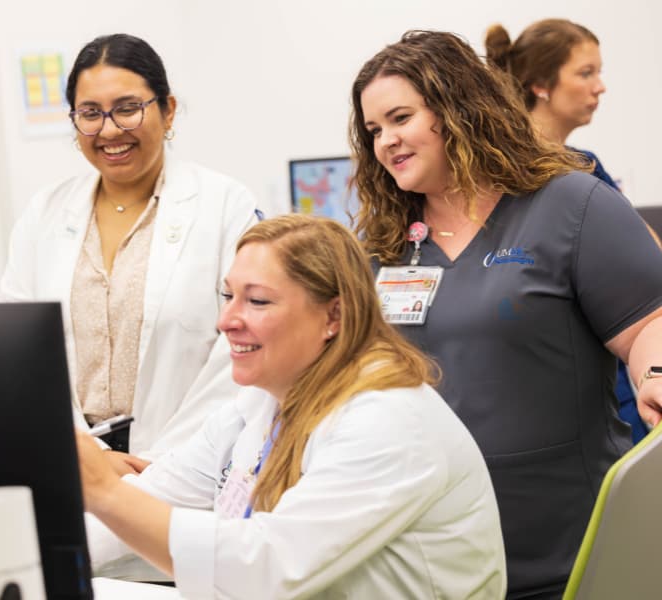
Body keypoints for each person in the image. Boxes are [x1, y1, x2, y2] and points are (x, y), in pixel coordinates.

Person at [350, 30, 662, 599]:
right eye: (374, 130)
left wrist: (654, 375)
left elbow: (648, 322)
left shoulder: (571, 203)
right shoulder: (383, 245)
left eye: (400, 118)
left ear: (455, 108)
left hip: (567, 545)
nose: (386, 141)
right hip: (430, 551)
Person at [78, 214, 507, 599]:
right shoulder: (259, 405)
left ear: (333, 317)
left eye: (257, 301)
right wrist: (35, 552)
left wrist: (106, 493)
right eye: (228, 296)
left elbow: (269, 572)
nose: (226, 320)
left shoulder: (388, 421)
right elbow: (158, 494)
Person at [0, 34, 258, 460]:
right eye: (90, 114)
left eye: (127, 108)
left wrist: (166, 462)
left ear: (167, 109)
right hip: (74, 458)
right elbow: (16, 347)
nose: (109, 130)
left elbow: (243, 349)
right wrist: (85, 455)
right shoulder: (44, 213)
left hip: (190, 459)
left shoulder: (225, 205)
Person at [485, 18, 661, 444]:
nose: (599, 87)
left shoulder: (580, 164)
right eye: (585, 73)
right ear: (540, 84)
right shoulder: (564, 171)